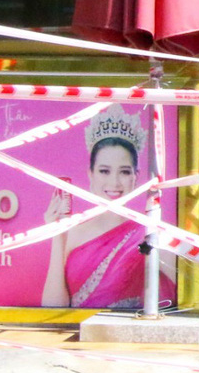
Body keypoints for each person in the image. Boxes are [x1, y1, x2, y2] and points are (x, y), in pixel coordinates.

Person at [40, 111, 171, 309]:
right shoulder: (72, 233)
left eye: (124, 172)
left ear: (136, 176)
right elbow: (51, 309)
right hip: (73, 334)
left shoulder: (150, 233)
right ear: (90, 174)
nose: (114, 182)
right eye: (104, 171)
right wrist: (57, 234)